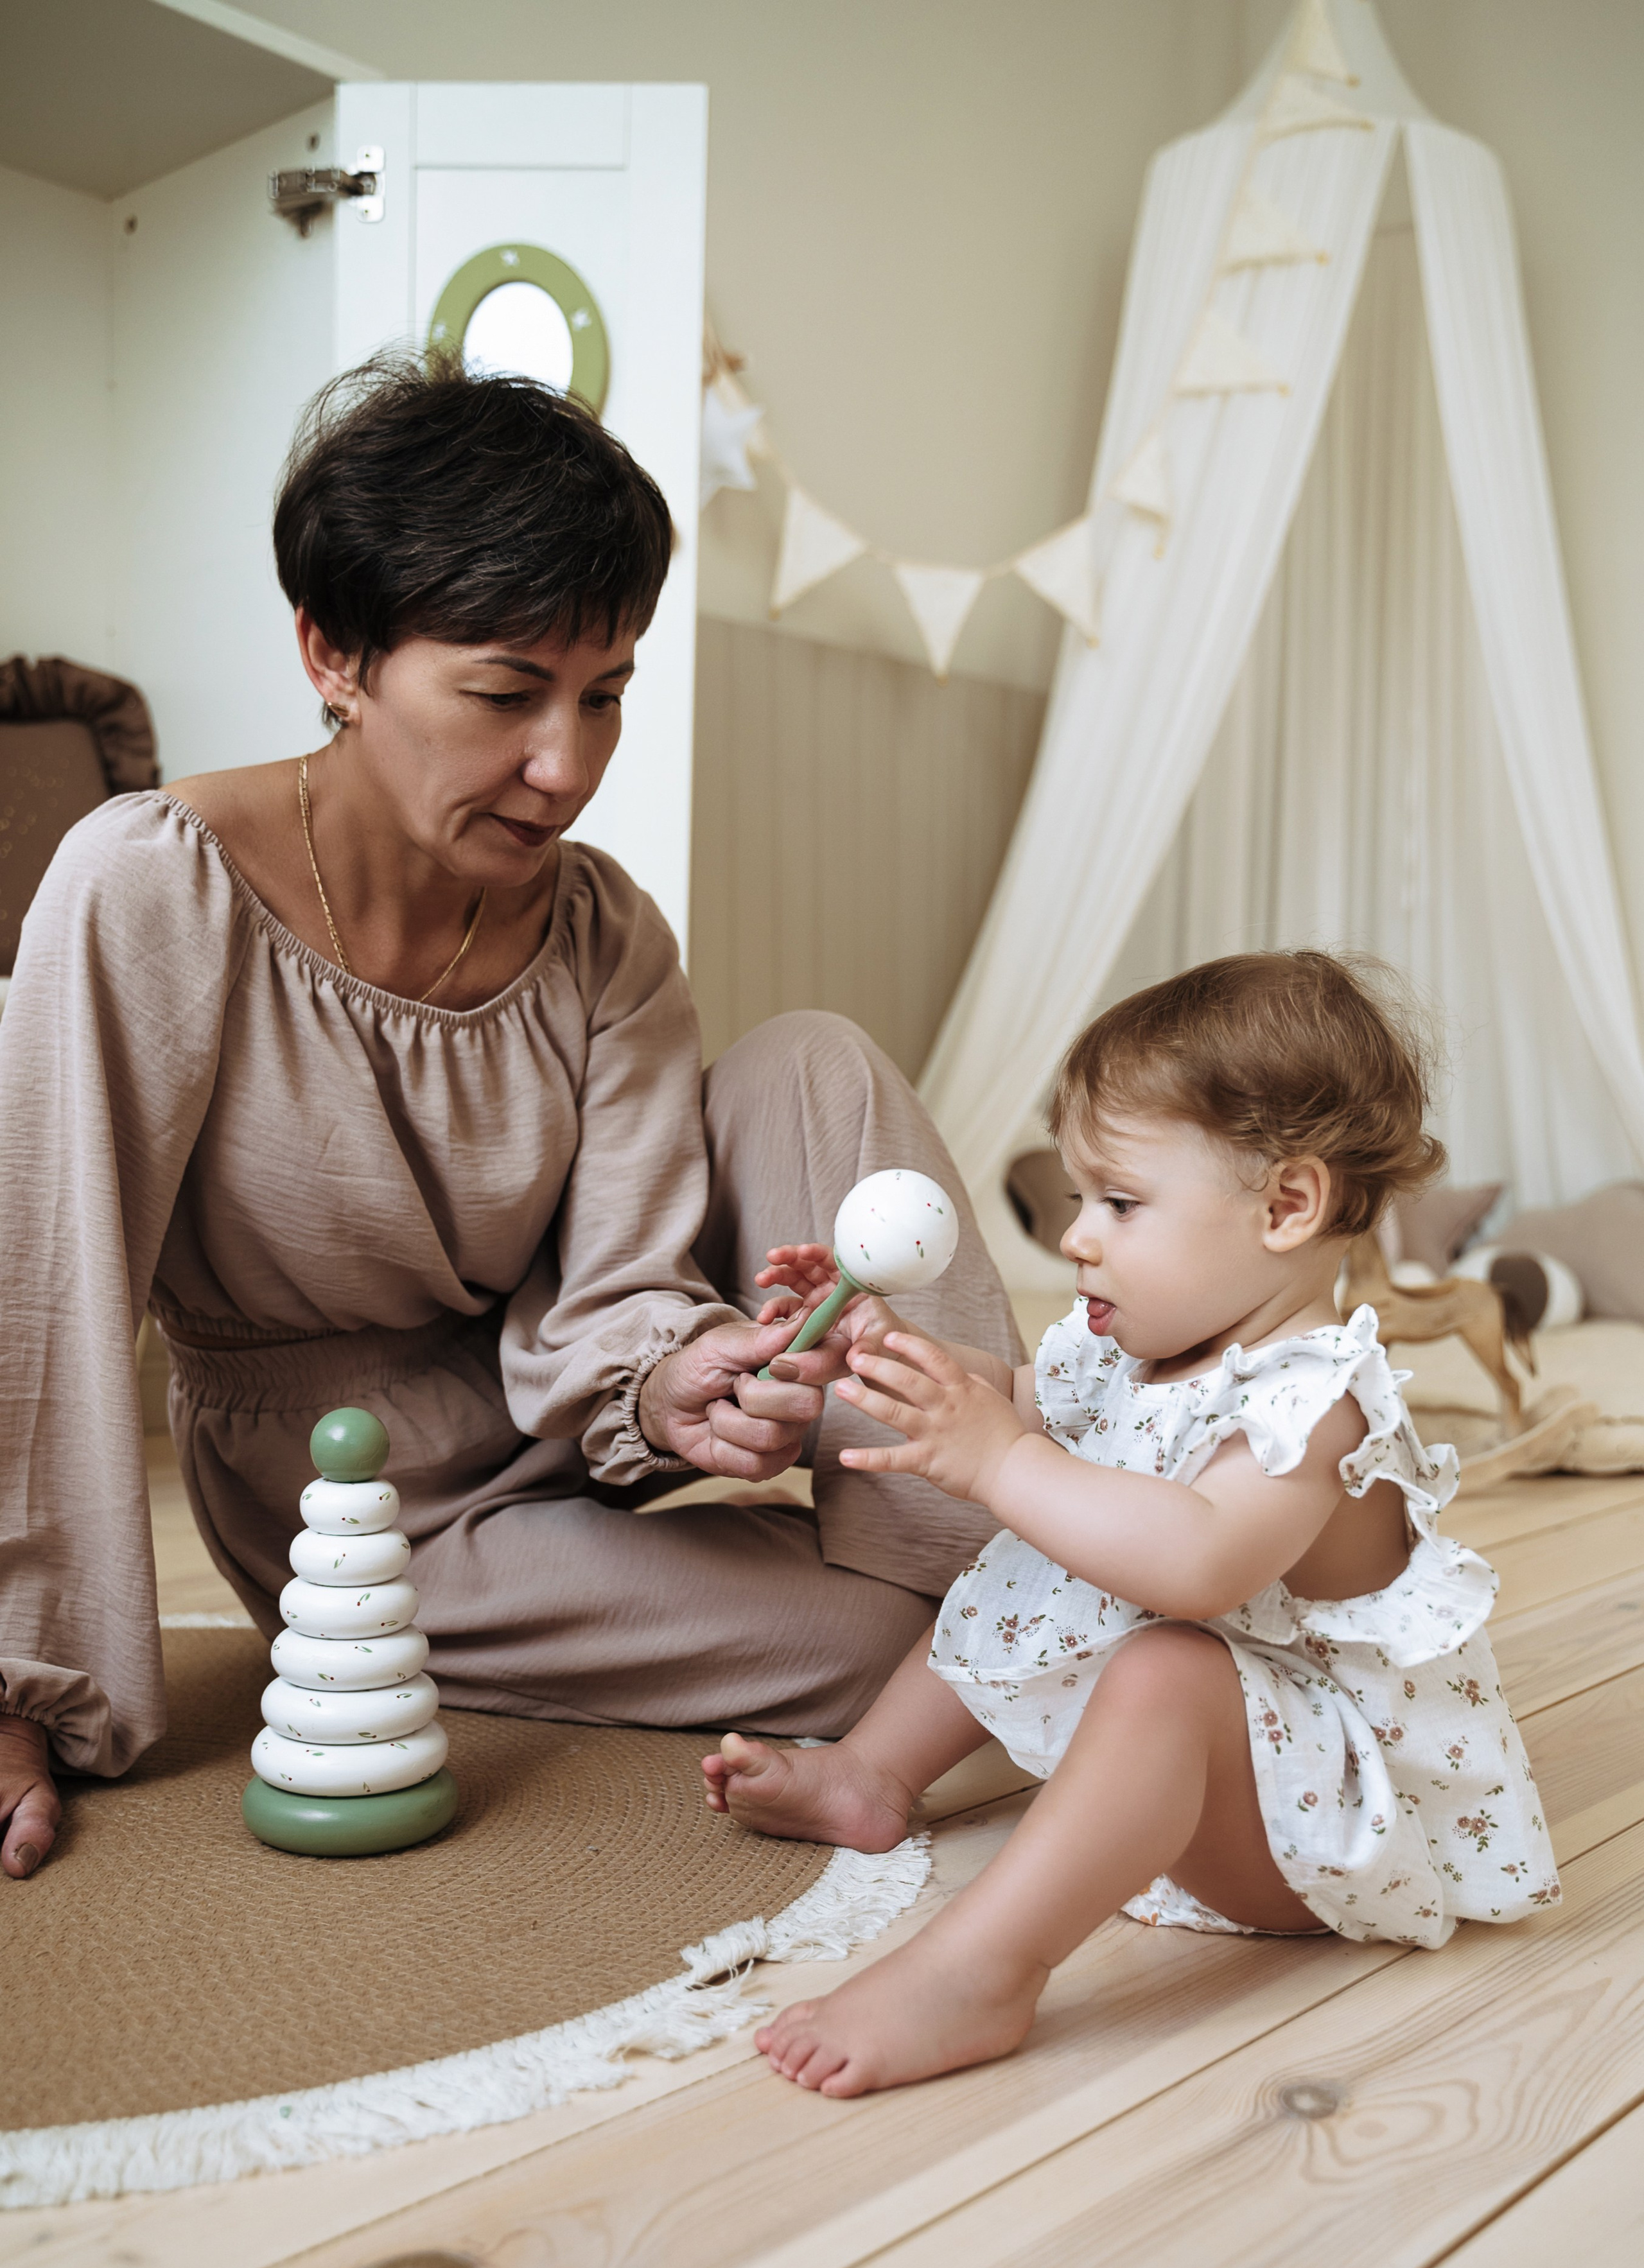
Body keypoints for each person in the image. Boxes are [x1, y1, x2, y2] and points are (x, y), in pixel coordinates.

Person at [0, 356, 1020, 1879]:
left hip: (556, 1418)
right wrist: (12, 1676)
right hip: (357, 1494)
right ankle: (975, 1618)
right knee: (896, 1655)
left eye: (602, 693)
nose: (566, 764)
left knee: (815, 1056)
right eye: (503, 693)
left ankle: (1008, 1545)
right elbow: (43, 1292)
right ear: (332, 653)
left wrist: (673, 1378)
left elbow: (617, 1279)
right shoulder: (152, 879)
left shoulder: (605, 929)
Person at [704, 952, 1561, 2097]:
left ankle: (981, 1970)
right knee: (1039, 1542)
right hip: (1223, 1777)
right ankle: (871, 1773)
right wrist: (881, 1348)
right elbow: (1015, 1403)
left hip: (1318, 1819)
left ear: (1286, 1206)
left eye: (1119, 1202)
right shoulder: (1140, 1350)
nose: (1076, 1238)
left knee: (1160, 1653)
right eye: (1077, 1199)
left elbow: (1200, 1565)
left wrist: (1004, 1462)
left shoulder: (1316, 1406)